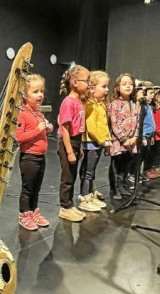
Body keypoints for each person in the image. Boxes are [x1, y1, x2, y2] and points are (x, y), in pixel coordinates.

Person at [15, 74, 53, 230]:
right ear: (25, 95)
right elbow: (19, 137)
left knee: (36, 188)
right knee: (28, 188)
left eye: (41, 91)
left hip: (40, 157)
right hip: (29, 157)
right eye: (35, 92)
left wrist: (47, 131)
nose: (40, 95)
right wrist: (38, 130)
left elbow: (39, 134)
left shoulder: (38, 113)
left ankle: (33, 212)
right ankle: (24, 214)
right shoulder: (22, 113)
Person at [57, 65, 90, 222]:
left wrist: (80, 146)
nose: (89, 84)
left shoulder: (78, 101)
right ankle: (65, 207)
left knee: (73, 175)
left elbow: (78, 127)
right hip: (67, 142)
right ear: (75, 82)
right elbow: (64, 128)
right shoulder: (68, 102)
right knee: (67, 177)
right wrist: (69, 151)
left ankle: (69, 205)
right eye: (87, 80)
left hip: (76, 141)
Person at [78, 70, 111, 211]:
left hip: (97, 143)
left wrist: (106, 139)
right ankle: (84, 197)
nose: (107, 90)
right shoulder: (90, 105)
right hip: (91, 144)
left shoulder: (99, 105)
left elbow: (103, 125)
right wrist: (103, 140)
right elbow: (92, 127)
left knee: (92, 171)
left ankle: (90, 194)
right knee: (88, 172)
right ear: (91, 88)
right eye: (103, 86)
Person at [108, 73, 140, 199]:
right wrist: (123, 139)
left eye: (130, 84)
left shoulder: (135, 104)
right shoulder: (114, 104)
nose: (128, 86)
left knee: (127, 163)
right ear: (117, 87)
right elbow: (114, 123)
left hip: (131, 140)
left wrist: (134, 137)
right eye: (124, 84)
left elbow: (138, 121)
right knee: (117, 164)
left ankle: (122, 185)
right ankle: (114, 189)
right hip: (119, 141)